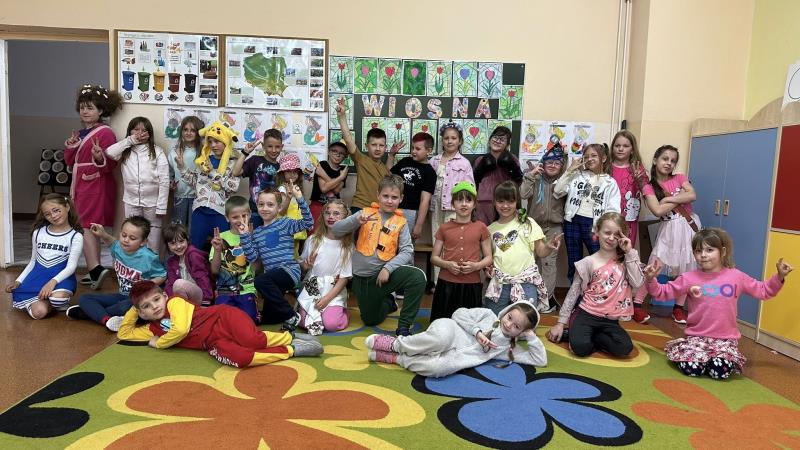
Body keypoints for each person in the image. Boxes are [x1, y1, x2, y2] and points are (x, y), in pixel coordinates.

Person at [644, 228, 792, 380]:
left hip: (725, 340)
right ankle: (694, 356)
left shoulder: (736, 276)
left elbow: (763, 290)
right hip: (697, 338)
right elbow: (662, 292)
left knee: (719, 372)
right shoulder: (688, 278)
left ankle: (712, 360)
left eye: (709, 250)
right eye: (698, 251)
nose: (703, 255)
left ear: (723, 251)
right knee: (692, 369)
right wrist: (650, 279)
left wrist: (779, 277)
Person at [117, 281, 323, 368]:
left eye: (156, 300)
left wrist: (159, 343)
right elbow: (124, 333)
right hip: (212, 341)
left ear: (164, 296)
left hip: (223, 317)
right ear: (141, 312)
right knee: (241, 359)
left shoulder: (174, 302)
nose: (154, 307)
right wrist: (135, 308)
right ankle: (291, 350)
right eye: (146, 306)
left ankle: (288, 336)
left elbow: (180, 329)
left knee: (251, 340)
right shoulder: (151, 328)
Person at [332, 175, 426, 336]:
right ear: (378, 195)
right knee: (370, 320)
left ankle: (404, 326)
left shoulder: (401, 222)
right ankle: (389, 302)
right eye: (385, 196)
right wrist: (356, 221)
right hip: (362, 280)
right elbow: (336, 230)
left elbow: (407, 251)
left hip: (384, 277)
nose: (389, 201)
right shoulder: (363, 214)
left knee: (417, 277)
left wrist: (388, 269)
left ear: (401, 199)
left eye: (394, 197)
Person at [546, 212, 644, 358]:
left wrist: (629, 252)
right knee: (581, 348)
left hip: (610, 321)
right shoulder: (588, 262)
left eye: (616, 234)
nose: (611, 238)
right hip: (586, 315)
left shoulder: (626, 260)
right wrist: (560, 323)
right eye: (607, 233)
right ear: (597, 231)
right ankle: (576, 333)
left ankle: (588, 335)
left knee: (624, 348)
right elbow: (573, 292)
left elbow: (637, 282)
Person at [365, 301, 546, 378]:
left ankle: (397, 359)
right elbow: (458, 313)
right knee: (440, 340)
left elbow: (540, 360)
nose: (508, 324)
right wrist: (476, 332)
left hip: (455, 357)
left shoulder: (509, 350)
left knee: (438, 369)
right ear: (506, 312)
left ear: (521, 332)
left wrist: (530, 336)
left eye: (516, 327)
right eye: (509, 317)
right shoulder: (488, 315)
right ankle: (396, 344)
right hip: (450, 331)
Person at [64, 84, 122, 290]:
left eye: (90, 107)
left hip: (95, 184)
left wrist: (98, 157)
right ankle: (93, 269)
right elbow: (70, 162)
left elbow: (111, 163)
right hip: (81, 183)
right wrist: (71, 146)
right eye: (82, 107)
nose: (85, 111)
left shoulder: (106, 133)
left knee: (86, 225)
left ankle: (95, 268)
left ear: (101, 110)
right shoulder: (81, 133)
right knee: (86, 224)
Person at [633, 145, 699, 324]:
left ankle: (678, 309)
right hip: (669, 228)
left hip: (688, 226)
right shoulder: (649, 186)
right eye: (665, 158)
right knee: (655, 266)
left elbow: (692, 195)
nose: (669, 163)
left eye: (673, 160)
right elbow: (657, 210)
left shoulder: (680, 177)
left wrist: (668, 199)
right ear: (655, 160)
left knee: (687, 269)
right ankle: (637, 305)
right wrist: (680, 197)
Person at [67, 216, 166, 331]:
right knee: (84, 298)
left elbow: (162, 275)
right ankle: (107, 320)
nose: (126, 240)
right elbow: (112, 242)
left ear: (143, 242)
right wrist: (103, 234)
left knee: (124, 307)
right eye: (124, 235)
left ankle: (88, 313)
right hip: (122, 295)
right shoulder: (118, 248)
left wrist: (146, 285)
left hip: (138, 299)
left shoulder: (149, 257)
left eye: (132, 238)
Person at [241, 185, 313, 331]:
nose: (265, 208)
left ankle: (291, 315)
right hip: (272, 279)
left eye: (270, 204)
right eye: (261, 204)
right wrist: (245, 236)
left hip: (289, 271)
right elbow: (253, 257)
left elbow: (308, 223)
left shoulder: (285, 223)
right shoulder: (257, 232)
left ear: (279, 207)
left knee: (260, 281)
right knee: (268, 317)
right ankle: (283, 314)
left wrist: (299, 198)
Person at [486, 181, 562, 315]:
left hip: (526, 282)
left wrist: (549, 246)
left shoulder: (528, 223)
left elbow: (541, 251)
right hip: (499, 284)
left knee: (526, 321)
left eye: (510, 201)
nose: (505, 206)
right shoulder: (489, 230)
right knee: (494, 320)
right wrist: (487, 268)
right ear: (494, 202)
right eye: (501, 201)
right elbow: (488, 259)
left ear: (517, 202)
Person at [5, 194, 83, 319]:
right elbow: (33, 261)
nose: (53, 216)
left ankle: (53, 301)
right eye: (47, 214)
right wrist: (18, 281)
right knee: (38, 313)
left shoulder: (75, 236)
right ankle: (45, 302)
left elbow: (71, 267)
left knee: (58, 299)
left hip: (61, 279)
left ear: (67, 207)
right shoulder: (38, 232)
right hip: (38, 277)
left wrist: (52, 283)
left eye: (56, 210)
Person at [554, 143, 621, 282]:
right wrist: (570, 170)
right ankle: (575, 293)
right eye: (586, 156)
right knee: (574, 261)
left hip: (595, 225)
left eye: (593, 155)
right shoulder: (577, 175)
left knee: (599, 260)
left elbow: (613, 210)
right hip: (572, 222)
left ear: (603, 158)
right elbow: (557, 190)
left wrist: (606, 229)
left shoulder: (610, 182)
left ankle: (598, 290)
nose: (589, 159)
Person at [429, 182, 491, 322]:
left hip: (472, 284)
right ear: (453, 204)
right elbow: (434, 257)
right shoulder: (444, 228)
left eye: (468, 200)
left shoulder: (481, 227)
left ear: (474, 204)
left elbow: (488, 257)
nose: (464, 204)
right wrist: (447, 264)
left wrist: (476, 266)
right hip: (446, 283)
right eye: (459, 200)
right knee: (443, 323)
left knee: (469, 325)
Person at [106, 116, 170, 251]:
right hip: (131, 201)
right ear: (130, 131)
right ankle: (133, 263)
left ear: (149, 134)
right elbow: (109, 152)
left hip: (153, 203)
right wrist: (130, 140)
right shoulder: (125, 150)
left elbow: (164, 181)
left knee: (152, 240)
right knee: (132, 236)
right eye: (136, 129)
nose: (140, 133)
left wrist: (162, 207)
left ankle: (152, 264)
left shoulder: (157, 151)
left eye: (144, 130)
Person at [178, 120, 241, 251]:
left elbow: (232, 187)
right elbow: (194, 182)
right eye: (210, 141)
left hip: (220, 214)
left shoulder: (234, 164)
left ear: (226, 142)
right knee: (195, 249)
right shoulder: (204, 160)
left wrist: (211, 172)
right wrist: (182, 167)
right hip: (199, 212)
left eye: (217, 141)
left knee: (222, 250)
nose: (213, 145)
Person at [520, 147, 568, 311]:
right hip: (533, 227)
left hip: (554, 228)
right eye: (549, 162)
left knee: (548, 263)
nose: (553, 165)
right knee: (530, 262)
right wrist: (530, 176)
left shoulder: (563, 182)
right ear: (543, 163)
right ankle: (528, 297)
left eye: (557, 163)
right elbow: (523, 194)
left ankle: (545, 300)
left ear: (561, 166)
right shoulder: (535, 178)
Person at [296, 200, 352, 335]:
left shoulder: (347, 246)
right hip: (312, 287)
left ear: (345, 218)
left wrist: (327, 299)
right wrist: (305, 265)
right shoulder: (313, 240)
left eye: (336, 214)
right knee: (303, 322)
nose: (331, 217)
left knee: (331, 324)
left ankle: (343, 313)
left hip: (333, 290)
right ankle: (311, 312)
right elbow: (302, 265)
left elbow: (344, 278)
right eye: (328, 213)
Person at [430, 121, 475, 282]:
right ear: (442, 140)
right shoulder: (434, 161)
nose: (450, 141)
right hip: (435, 208)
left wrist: (464, 208)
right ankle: (438, 282)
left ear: (460, 141)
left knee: (453, 245)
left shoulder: (464, 163)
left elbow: (470, 189)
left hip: (454, 209)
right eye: (446, 138)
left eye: (454, 138)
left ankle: (453, 281)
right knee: (437, 244)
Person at [209, 196, 259, 323]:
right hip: (224, 291)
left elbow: (257, 268)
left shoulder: (254, 237)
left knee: (249, 320)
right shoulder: (220, 238)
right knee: (221, 321)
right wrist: (218, 250)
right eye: (235, 217)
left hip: (246, 290)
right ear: (227, 218)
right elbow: (214, 271)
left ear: (250, 215)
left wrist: (248, 240)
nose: (240, 220)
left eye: (244, 216)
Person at [335, 97, 389, 214]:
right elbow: (348, 139)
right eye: (374, 145)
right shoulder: (361, 159)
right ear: (366, 146)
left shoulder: (386, 170)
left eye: (381, 145)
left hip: (379, 211)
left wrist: (392, 155)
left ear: (385, 147)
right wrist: (342, 116)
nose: (378, 148)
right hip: (360, 208)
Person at [386, 132, 436, 241]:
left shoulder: (430, 172)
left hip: (411, 213)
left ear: (428, 151)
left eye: (418, 149)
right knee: (387, 242)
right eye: (412, 148)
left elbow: (425, 200)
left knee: (405, 245)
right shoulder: (405, 161)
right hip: (393, 208)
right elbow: (389, 175)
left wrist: (419, 225)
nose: (413, 151)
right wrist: (391, 155)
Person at [232, 128, 282, 227]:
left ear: (282, 147)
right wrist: (245, 153)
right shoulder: (255, 160)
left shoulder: (282, 167)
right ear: (263, 146)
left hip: (274, 214)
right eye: (270, 146)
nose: (273, 150)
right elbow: (235, 172)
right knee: (252, 235)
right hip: (254, 211)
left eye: (277, 147)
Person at [473, 126, 523, 225]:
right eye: (495, 137)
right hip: (483, 204)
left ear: (507, 145)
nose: (497, 141)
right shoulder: (480, 160)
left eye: (502, 139)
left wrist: (511, 167)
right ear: (490, 140)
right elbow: (473, 183)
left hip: (504, 203)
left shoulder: (512, 159)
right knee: (483, 232)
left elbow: (518, 181)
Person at [609, 130, 649, 244]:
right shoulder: (606, 167)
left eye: (625, 146)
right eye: (617, 145)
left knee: (625, 250)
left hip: (629, 220)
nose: (620, 149)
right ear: (612, 148)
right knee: (608, 250)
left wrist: (640, 180)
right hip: (609, 218)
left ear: (632, 150)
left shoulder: (637, 169)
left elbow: (647, 192)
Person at [163, 223, 214, 307]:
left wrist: (206, 301)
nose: (178, 246)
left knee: (179, 284)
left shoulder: (193, 255)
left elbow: (202, 278)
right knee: (164, 295)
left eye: (181, 241)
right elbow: (171, 283)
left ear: (187, 240)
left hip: (202, 296)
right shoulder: (171, 261)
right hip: (185, 297)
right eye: (173, 243)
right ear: (167, 245)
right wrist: (168, 298)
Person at [168, 115, 204, 226]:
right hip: (179, 196)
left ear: (198, 132)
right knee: (178, 230)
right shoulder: (174, 152)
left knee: (194, 229)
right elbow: (169, 173)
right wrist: (170, 183)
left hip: (199, 198)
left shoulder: (204, 152)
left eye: (193, 130)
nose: (188, 133)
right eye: (185, 130)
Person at [309, 142, 348, 233]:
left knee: (332, 233)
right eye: (334, 151)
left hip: (334, 207)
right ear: (329, 152)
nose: (338, 155)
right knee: (315, 233)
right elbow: (324, 189)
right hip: (318, 205)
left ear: (345, 157)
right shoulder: (323, 164)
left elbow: (337, 190)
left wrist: (324, 175)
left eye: (342, 153)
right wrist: (340, 178)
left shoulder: (343, 170)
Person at [276, 153, 309, 257]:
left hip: (296, 228)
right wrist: (289, 196)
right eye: (288, 171)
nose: (292, 174)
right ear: (283, 173)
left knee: (295, 253)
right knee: (286, 254)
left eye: (295, 171)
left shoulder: (296, 188)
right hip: (286, 229)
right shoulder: (282, 189)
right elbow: (282, 211)